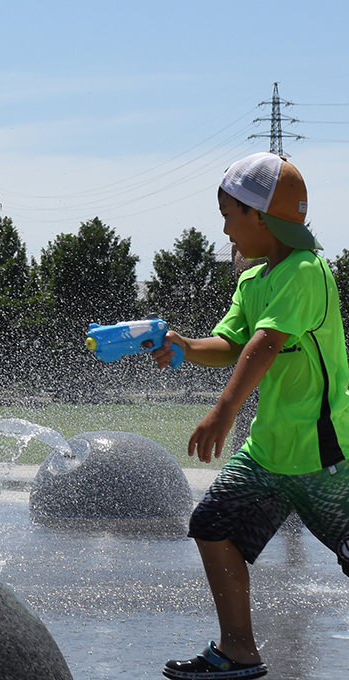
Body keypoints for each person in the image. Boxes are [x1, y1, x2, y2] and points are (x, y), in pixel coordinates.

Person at [151, 152, 349, 680]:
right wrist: (183, 346)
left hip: (323, 456)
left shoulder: (307, 272)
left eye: (228, 213)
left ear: (260, 215)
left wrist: (221, 412)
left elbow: (263, 346)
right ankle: (238, 649)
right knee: (211, 524)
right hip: (268, 454)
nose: (224, 228)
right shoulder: (252, 281)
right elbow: (231, 344)